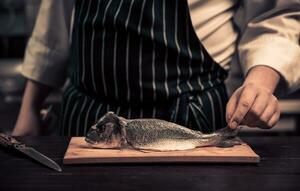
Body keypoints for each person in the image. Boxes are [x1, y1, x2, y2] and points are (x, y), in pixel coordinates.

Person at [13, 0, 300, 136]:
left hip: (189, 121)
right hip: (89, 122)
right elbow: (55, 19)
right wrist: (29, 110)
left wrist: (261, 83)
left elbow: (278, 14)